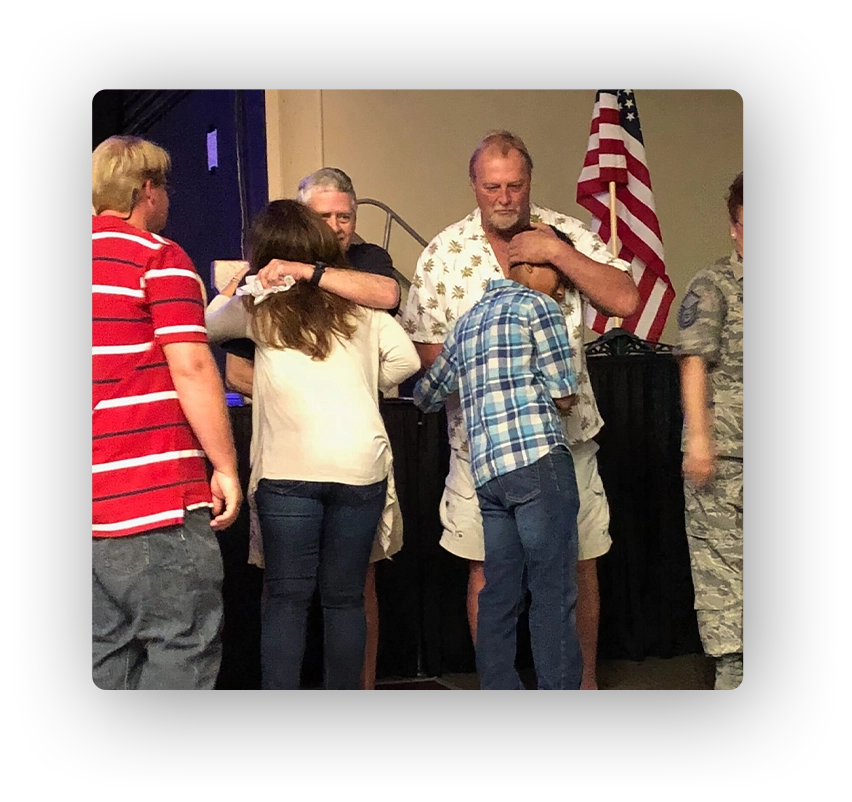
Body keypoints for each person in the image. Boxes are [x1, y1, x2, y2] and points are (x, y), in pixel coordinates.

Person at [400, 130, 639, 689]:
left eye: (515, 185)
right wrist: (497, 364)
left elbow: (626, 301)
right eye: (492, 187)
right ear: (475, 186)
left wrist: (555, 251)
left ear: (529, 182)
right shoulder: (443, 253)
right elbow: (424, 352)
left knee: (577, 568)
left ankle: (580, 685)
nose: (504, 197)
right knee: (489, 574)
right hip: (478, 448)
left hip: (568, 441)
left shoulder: (569, 232)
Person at [205, 199, 420, 690]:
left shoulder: (259, 309)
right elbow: (406, 362)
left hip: (289, 474)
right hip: (359, 467)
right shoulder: (360, 308)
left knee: (286, 598)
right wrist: (363, 382)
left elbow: (210, 324)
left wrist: (242, 284)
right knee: (345, 598)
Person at [92, 135, 242, 690]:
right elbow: (194, 369)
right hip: (154, 497)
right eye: (165, 186)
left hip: (97, 506)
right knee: (183, 642)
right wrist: (224, 466)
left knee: (106, 650)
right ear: (147, 189)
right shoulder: (159, 257)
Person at [413, 248, 583, 690]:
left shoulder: (466, 324)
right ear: (527, 268)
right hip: (538, 461)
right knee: (553, 593)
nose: (562, 284)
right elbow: (564, 392)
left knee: (498, 595)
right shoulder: (538, 306)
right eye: (555, 272)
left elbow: (427, 396)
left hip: (489, 476)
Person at [674, 171, 743, 690]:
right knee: (721, 563)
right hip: (726, 451)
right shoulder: (713, 284)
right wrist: (700, 440)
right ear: (734, 228)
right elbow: (694, 361)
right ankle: (731, 665)